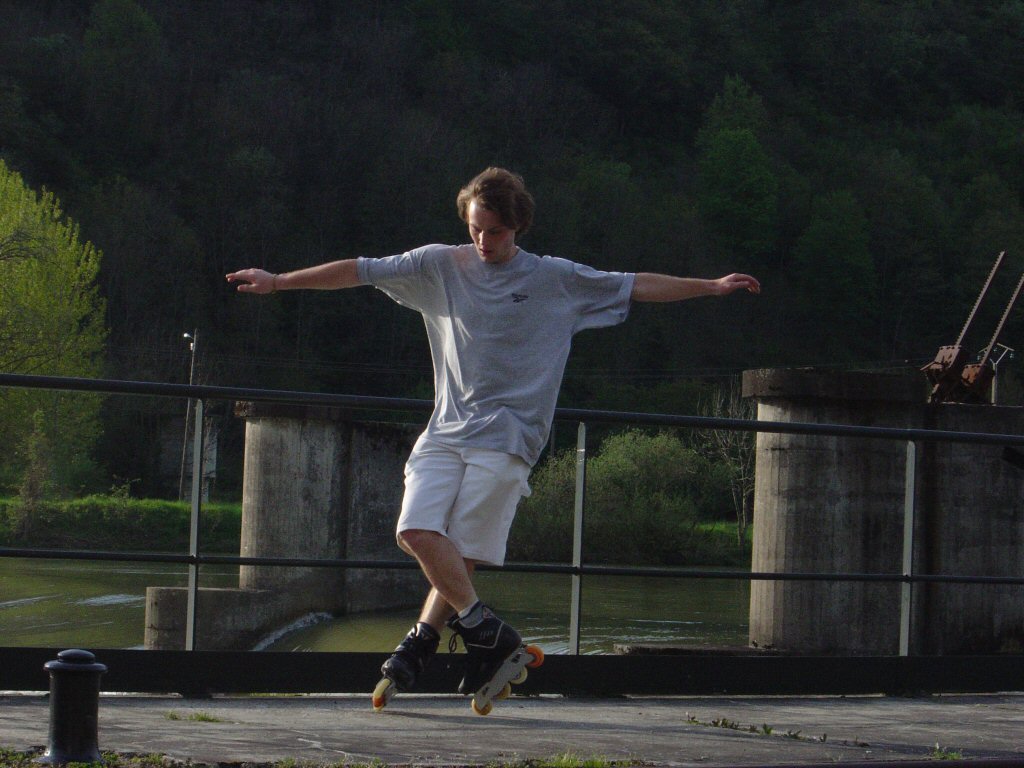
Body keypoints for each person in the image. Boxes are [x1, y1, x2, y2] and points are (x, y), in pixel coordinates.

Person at [226, 167, 760, 704]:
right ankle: (486, 634)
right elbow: (358, 271)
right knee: (415, 531)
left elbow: (634, 284)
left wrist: (710, 286)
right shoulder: (439, 265)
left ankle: (422, 641)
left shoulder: (555, 278)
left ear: (518, 226)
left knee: (459, 553)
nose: (484, 241)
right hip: (445, 429)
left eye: (496, 231)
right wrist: (279, 282)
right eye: (475, 228)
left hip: (510, 435)